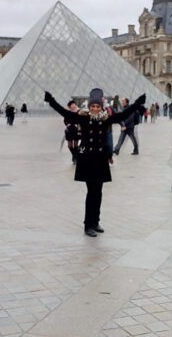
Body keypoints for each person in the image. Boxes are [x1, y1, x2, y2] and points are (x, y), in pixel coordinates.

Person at [45, 88, 146, 237]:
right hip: (87, 159)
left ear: (101, 107)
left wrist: (137, 103)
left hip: (100, 159)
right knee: (91, 192)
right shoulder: (83, 118)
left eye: (97, 106)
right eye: (93, 106)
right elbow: (65, 113)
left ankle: (96, 221)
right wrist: (51, 101)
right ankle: (88, 225)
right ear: (89, 106)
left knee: (98, 192)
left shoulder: (106, 119)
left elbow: (123, 114)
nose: (95, 109)